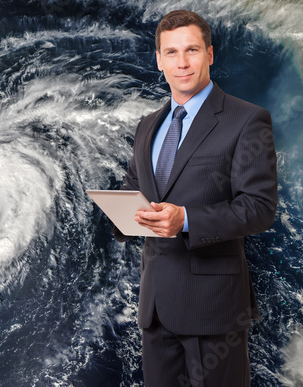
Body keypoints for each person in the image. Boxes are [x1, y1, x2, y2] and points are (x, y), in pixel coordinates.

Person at [113, 10, 277, 386]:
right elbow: (136, 192)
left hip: (213, 309)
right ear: (158, 59)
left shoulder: (247, 119)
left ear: (210, 54)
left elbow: (259, 207)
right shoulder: (147, 125)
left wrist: (185, 219)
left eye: (192, 50)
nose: (182, 62)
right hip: (155, 308)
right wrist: (119, 214)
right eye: (171, 52)